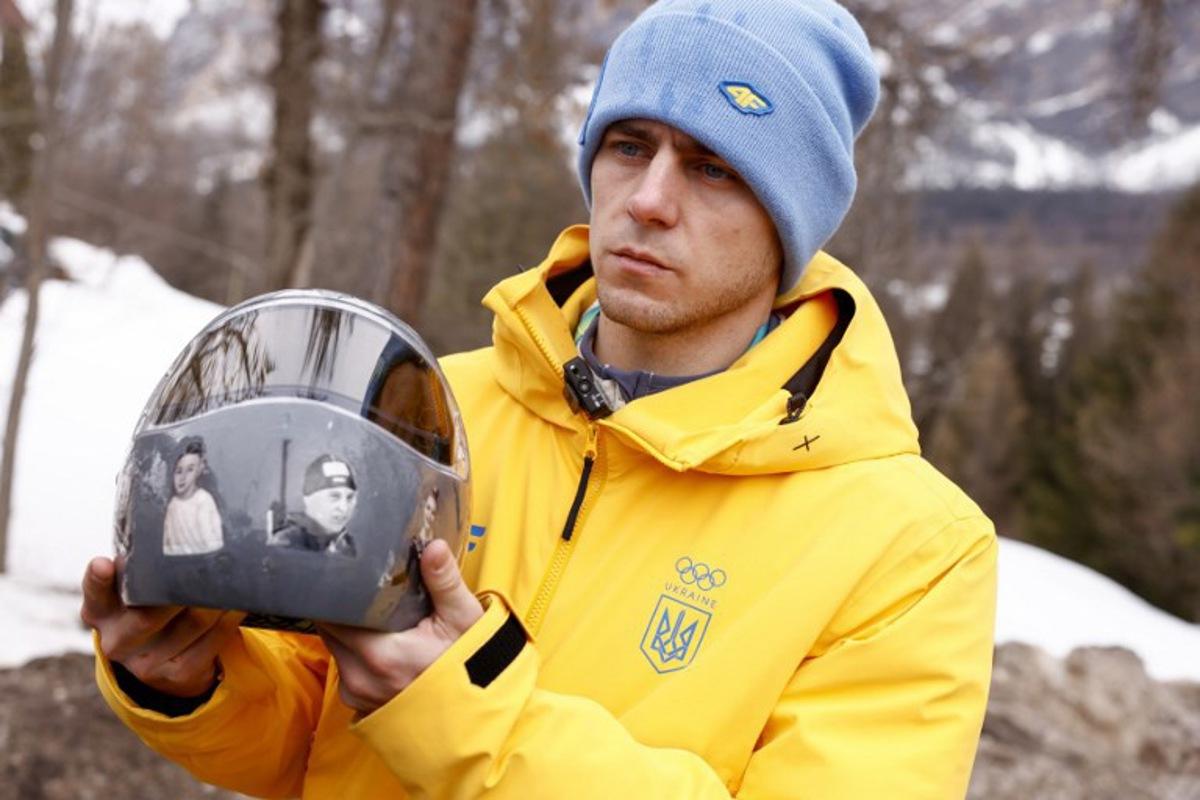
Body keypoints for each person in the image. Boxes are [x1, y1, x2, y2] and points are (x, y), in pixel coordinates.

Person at [81, 1, 997, 798]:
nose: (648, 200)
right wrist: (191, 678)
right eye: (629, 147)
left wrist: (461, 712)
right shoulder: (432, 406)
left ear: (789, 220)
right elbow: (309, 739)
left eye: (714, 168)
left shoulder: (909, 547)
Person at [269, 455, 359, 557]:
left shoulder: (346, 544)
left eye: (350, 497)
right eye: (334, 497)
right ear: (308, 499)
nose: (344, 507)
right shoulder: (286, 544)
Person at [160, 437, 223, 556]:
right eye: (178, 471)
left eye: (190, 470)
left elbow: (213, 543)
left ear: (199, 470)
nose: (182, 477)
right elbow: (167, 545)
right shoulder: (173, 505)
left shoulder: (204, 500)